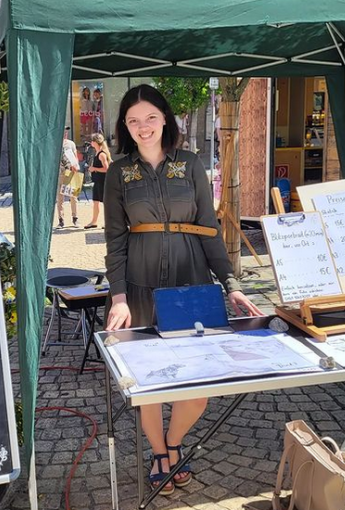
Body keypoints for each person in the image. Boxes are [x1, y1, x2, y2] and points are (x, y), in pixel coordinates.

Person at [103, 84, 262, 496]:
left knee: (200, 383)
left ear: (165, 119)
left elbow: (209, 230)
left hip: (192, 286)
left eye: (151, 118)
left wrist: (230, 285)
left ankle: (173, 443)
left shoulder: (190, 165)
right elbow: (115, 241)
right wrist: (118, 296)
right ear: (125, 125)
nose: (143, 127)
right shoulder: (120, 173)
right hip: (139, 291)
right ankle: (161, 455)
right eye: (134, 120)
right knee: (150, 381)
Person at [84, 132, 112, 229]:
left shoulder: (101, 154)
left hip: (103, 181)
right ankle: (94, 221)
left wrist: (94, 168)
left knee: (105, 202)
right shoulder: (97, 153)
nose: (91, 142)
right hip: (97, 181)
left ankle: (108, 222)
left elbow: (107, 169)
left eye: (92, 140)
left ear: (95, 142)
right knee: (95, 201)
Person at [56, 127, 80, 228]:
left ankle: (75, 218)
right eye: (63, 131)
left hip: (70, 172)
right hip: (60, 173)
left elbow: (75, 156)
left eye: (66, 131)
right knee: (60, 197)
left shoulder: (71, 144)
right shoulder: (55, 144)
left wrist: (76, 165)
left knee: (73, 197)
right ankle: (61, 220)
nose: (65, 133)